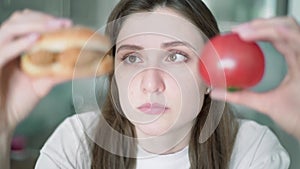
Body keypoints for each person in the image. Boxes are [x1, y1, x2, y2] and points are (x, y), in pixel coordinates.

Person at [0, 0, 298, 169]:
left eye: (177, 56)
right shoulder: (76, 140)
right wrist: (2, 127)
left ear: (212, 77)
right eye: (132, 58)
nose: (151, 83)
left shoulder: (251, 147)